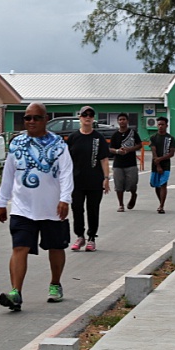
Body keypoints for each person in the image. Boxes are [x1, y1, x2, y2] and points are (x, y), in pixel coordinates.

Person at [0, 102, 73, 311]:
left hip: (52, 208)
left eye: (36, 118)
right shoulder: (16, 144)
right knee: (19, 247)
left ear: (45, 119)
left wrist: (65, 199)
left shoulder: (58, 145)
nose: (31, 121)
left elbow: (66, 173)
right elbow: (8, 174)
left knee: (56, 247)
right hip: (23, 208)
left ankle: (55, 283)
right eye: (27, 117)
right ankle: (15, 293)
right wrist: (2, 202)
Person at [68, 106, 110, 252]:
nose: (87, 117)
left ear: (93, 118)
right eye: (85, 115)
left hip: (94, 180)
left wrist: (106, 178)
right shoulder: (73, 138)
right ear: (79, 117)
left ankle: (91, 238)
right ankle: (80, 236)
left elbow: (104, 159)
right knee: (77, 209)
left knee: (93, 210)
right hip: (76, 181)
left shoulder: (98, 138)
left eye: (90, 115)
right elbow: (67, 161)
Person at [109, 113, 142, 212]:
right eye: (120, 119)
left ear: (127, 121)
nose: (122, 121)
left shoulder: (133, 133)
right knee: (118, 185)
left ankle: (133, 195)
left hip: (131, 163)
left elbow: (139, 145)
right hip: (118, 164)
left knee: (132, 183)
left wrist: (130, 149)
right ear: (118, 121)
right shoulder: (115, 135)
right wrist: (118, 151)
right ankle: (121, 204)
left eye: (124, 119)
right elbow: (110, 148)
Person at [149, 116, 175, 214]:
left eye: (162, 125)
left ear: (166, 125)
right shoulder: (153, 138)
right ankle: (160, 201)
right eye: (159, 124)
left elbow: (171, 153)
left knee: (163, 184)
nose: (160, 126)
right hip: (155, 165)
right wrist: (158, 165)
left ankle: (161, 206)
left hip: (166, 165)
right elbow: (153, 151)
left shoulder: (170, 138)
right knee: (156, 185)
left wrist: (161, 159)